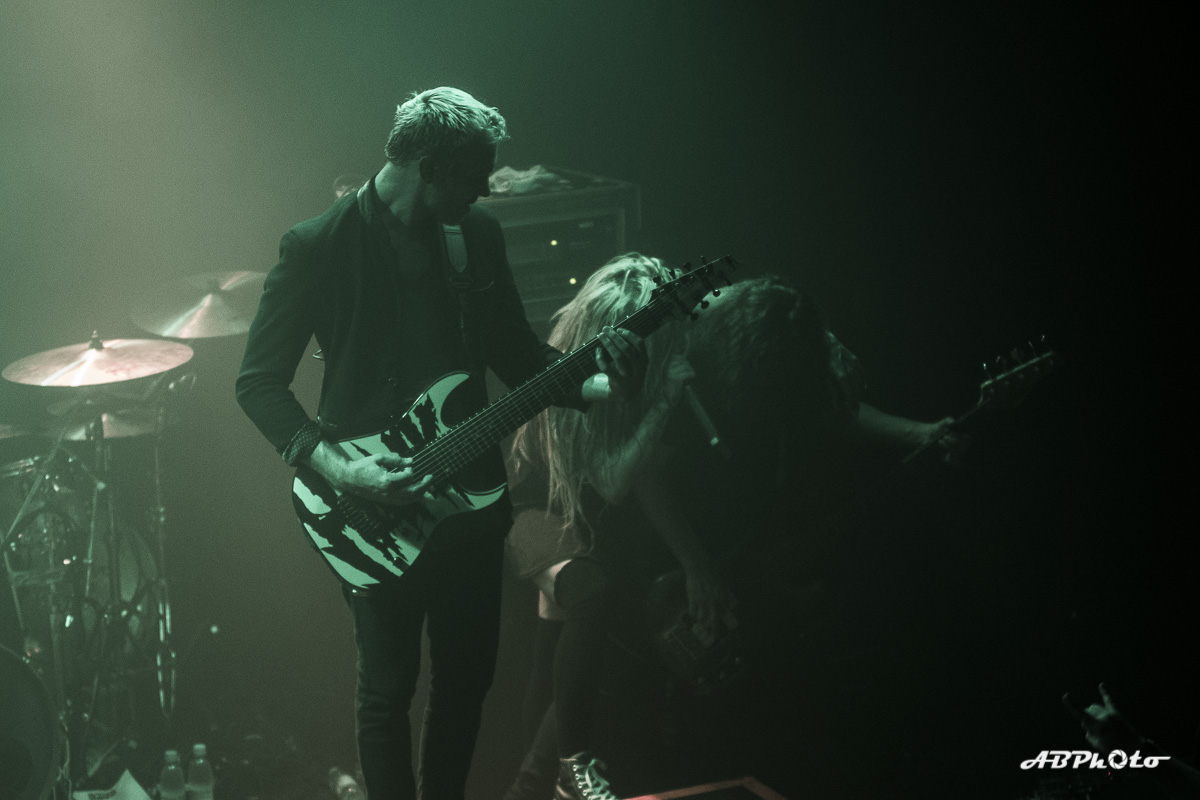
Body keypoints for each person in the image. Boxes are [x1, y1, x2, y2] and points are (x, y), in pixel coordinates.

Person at [235, 87, 644, 800]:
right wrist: (346, 471)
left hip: (474, 499)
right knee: (387, 690)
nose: (485, 189)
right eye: (474, 175)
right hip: (370, 507)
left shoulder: (474, 236)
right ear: (429, 167)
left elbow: (518, 355)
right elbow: (258, 384)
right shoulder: (318, 245)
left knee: (466, 683)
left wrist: (607, 383)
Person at [502, 265, 969, 800]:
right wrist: (663, 398)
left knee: (558, 656)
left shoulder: (712, 315)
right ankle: (552, 775)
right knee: (584, 616)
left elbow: (796, 361)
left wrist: (831, 347)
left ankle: (538, 783)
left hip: (588, 509)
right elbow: (618, 480)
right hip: (548, 498)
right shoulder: (635, 345)